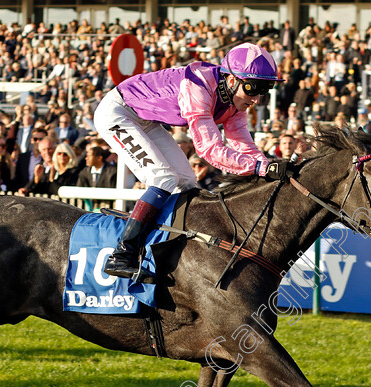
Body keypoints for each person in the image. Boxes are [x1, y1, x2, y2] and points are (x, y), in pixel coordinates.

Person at [93, 42, 284, 280]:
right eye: (253, 88)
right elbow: (209, 149)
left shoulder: (236, 100)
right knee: (162, 178)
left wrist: (268, 166)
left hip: (145, 119)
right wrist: (259, 167)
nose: (256, 98)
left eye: (263, 90)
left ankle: (168, 249)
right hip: (118, 112)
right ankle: (121, 255)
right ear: (232, 80)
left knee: (187, 182)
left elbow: (243, 144)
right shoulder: (199, 88)